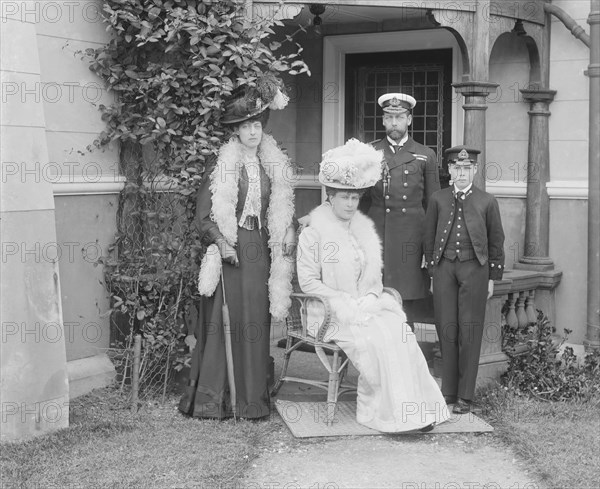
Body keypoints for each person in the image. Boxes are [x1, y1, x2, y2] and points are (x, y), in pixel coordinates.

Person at [297, 138, 450, 432]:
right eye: (345, 198)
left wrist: (369, 295)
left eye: (355, 198)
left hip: (364, 307)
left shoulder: (363, 229)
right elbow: (308, 281)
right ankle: (381, 413)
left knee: (401, 334)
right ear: (331, 197)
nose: (351, 204)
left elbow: (374, 276)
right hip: (328, 312)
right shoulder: (314, 232)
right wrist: (345, 302)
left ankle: (415, 411)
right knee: (375, 342)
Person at [179, 75, 297, 419]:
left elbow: (282, 207)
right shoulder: (220, 165)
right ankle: (216, 400)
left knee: (255, 321)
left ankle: (252, 400)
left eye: (257, 125)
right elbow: (203, 217)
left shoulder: (273, 165)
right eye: (246, 127)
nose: (252, 132)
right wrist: (221, 242)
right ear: (236, 131)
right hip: (232, 247)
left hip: (259, 247)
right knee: (224, 323)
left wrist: (287, 233)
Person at [423, 146, 505, 414]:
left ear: (475, 170)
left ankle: (465, 396)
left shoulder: (487, 201)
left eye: (466, 168)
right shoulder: (438, 199)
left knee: (469, 331)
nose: (461, 173)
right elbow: (429, 237)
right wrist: (434, 272)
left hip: (475, 270)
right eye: (456, 168)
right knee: (446, 328)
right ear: (449, 170)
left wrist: (493, 277)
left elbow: (496, 242)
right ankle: (448, 391)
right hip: (445, 268)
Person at [359, 93, 440, 329]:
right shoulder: (369, 153)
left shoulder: (426, 154)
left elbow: (433, 205)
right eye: (389, 117)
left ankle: (406, 356)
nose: (394, 122)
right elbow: (361, 201)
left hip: (411, 238)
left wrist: (430, 247)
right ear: (383, 121)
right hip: (378, 236)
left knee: (406, 304)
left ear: (409, 120)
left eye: (400, 117)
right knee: (375, 298)